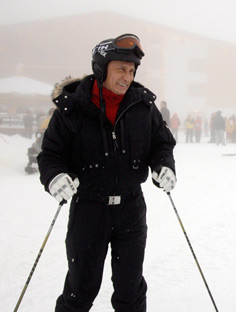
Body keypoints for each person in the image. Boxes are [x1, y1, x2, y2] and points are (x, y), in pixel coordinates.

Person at [37, 33, 176, 312]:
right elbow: (50, 155)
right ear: (101, 68)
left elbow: (162, 143)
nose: (127, 76)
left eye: (132, 70)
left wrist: (164, 166)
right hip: (89, 209)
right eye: (121, 68)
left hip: (130, 210)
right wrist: (55, 177)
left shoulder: (143, 107)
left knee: (130, 289)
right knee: (80, 289)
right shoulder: (72, 109)